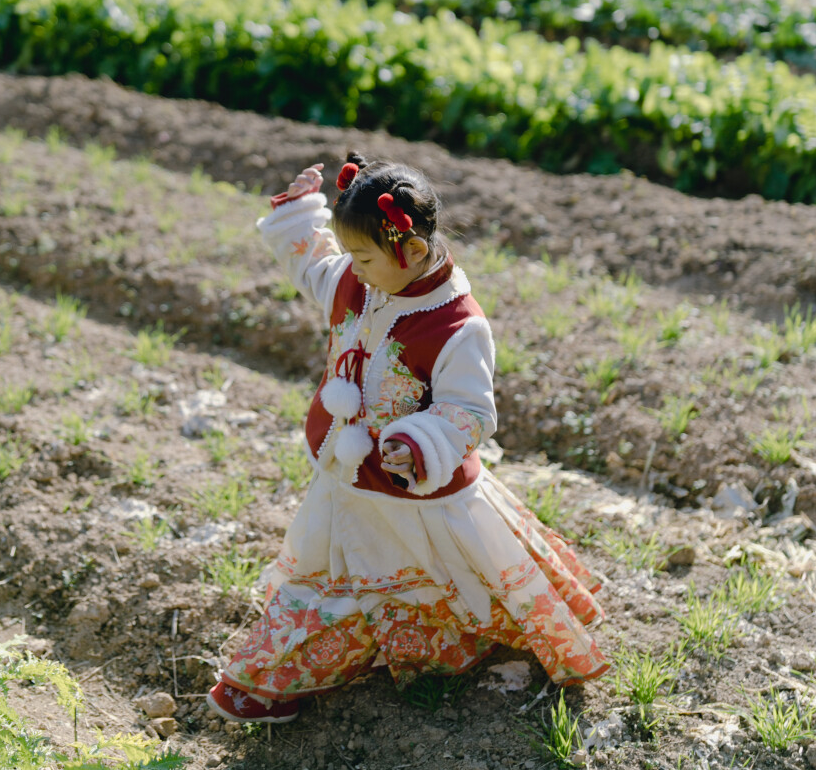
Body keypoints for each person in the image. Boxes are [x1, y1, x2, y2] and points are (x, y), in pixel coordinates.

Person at [206, 151, 608, 724]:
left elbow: (468, 410)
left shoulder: (456, 327)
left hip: (414, 488)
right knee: (354, 576)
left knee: (399, 577)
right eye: (351, 255)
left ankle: (284, 674)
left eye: (364, 257)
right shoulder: (361, 280)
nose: (352, 268)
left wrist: (421, 443)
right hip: (347, 480)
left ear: (412, 251)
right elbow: (314, 266)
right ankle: (283, 672)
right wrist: (298, 218)